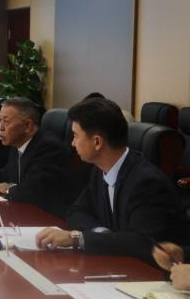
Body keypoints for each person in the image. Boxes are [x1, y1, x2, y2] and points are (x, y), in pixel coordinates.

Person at [36, 98, 188, 261]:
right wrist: (102, 234)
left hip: (155, 270)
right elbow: (76, 211)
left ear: (97, 142)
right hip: (117, 262)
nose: (72, 143)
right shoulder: (100, 169)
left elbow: (139, 242)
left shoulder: (148, 183)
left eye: (76, 136)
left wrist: (78, 239)